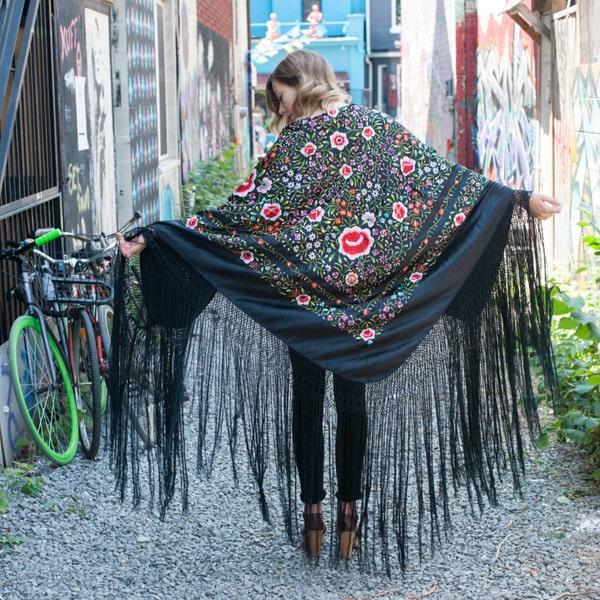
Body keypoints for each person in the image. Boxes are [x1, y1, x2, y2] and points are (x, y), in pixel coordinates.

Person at [113, 50, 562, 569]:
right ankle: (347, 512)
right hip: (361, 307)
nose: (277, 109)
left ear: (296, 82)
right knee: (351, 403)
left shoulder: (293, 145)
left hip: (304, 304)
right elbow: (439, 184)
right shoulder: (374, 127)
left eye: (276, 97)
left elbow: (239, 215)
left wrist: (160, 235)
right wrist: (517, 199)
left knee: (307, 399)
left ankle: (315, 514)